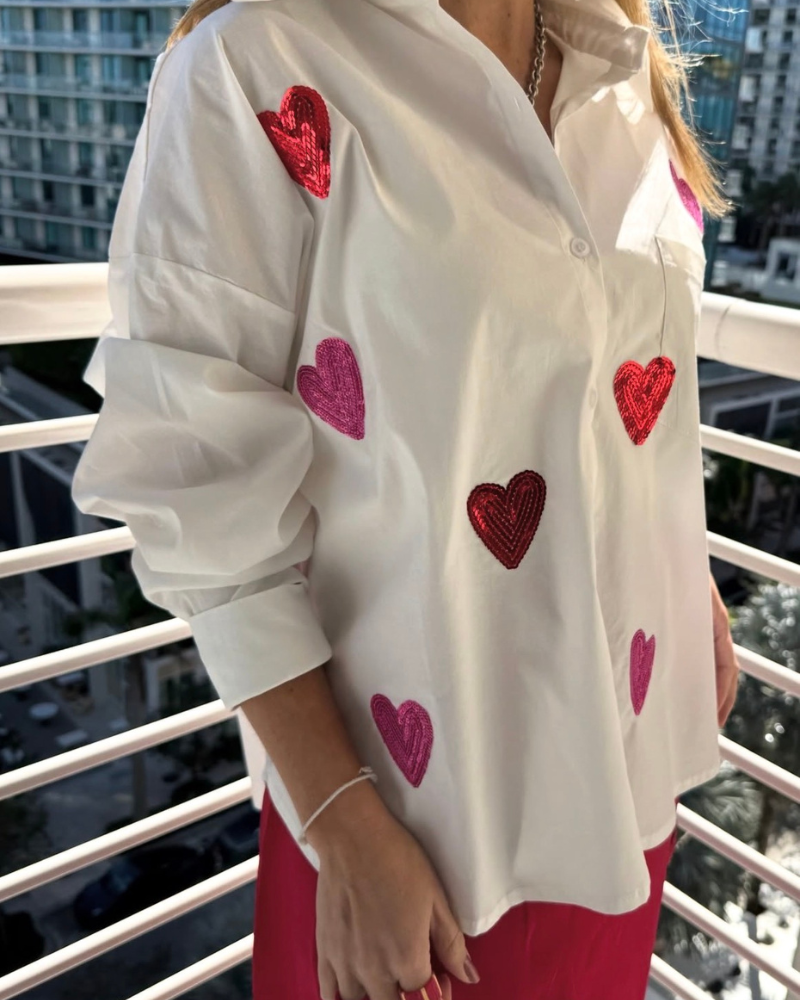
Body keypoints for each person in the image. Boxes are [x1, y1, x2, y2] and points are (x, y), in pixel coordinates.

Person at [70, 0, 742, 991]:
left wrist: (682, 578)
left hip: (627, 781)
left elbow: (614, 386)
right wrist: (342, 820)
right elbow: (195, 482)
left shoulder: (618, 65)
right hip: (412, 841)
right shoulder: (256, 62)